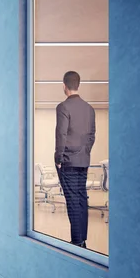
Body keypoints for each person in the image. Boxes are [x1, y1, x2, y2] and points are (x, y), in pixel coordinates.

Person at [55, 71, 96, 248]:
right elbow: (92, 135)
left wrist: (58, 157)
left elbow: (61, 134)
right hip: (83, 160)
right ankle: (82, 239)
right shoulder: (89, 108)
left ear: (64, 86)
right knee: (81, 199)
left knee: (72, 200)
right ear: (78, 85)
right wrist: (84, 152)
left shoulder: (63, 107)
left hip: (68, 160)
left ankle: (77, 241)